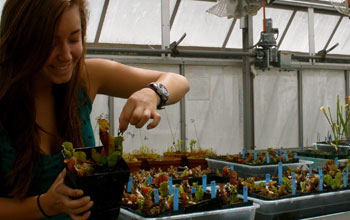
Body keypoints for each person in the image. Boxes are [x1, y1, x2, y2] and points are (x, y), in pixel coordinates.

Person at [0, 0, 190, 219]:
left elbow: (179, 82)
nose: (66, 54)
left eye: (74, 39)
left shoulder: (84, 78)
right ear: (21, 40)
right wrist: (43, 205)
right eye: (50, 44)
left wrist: (153, 93)